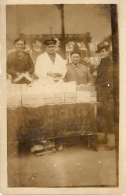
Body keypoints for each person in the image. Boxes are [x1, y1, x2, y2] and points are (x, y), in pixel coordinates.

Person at [95, 42, 115, 150]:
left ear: (108, 51)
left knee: (110, 118)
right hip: (101, 95)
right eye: (100, 52)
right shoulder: (100, 64)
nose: (101, 54)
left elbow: (111, 82)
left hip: (109, 95)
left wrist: (106, 93)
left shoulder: (111, 64)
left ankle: (112, 142)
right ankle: (104, 137)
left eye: (103, 51)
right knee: (102, 117)